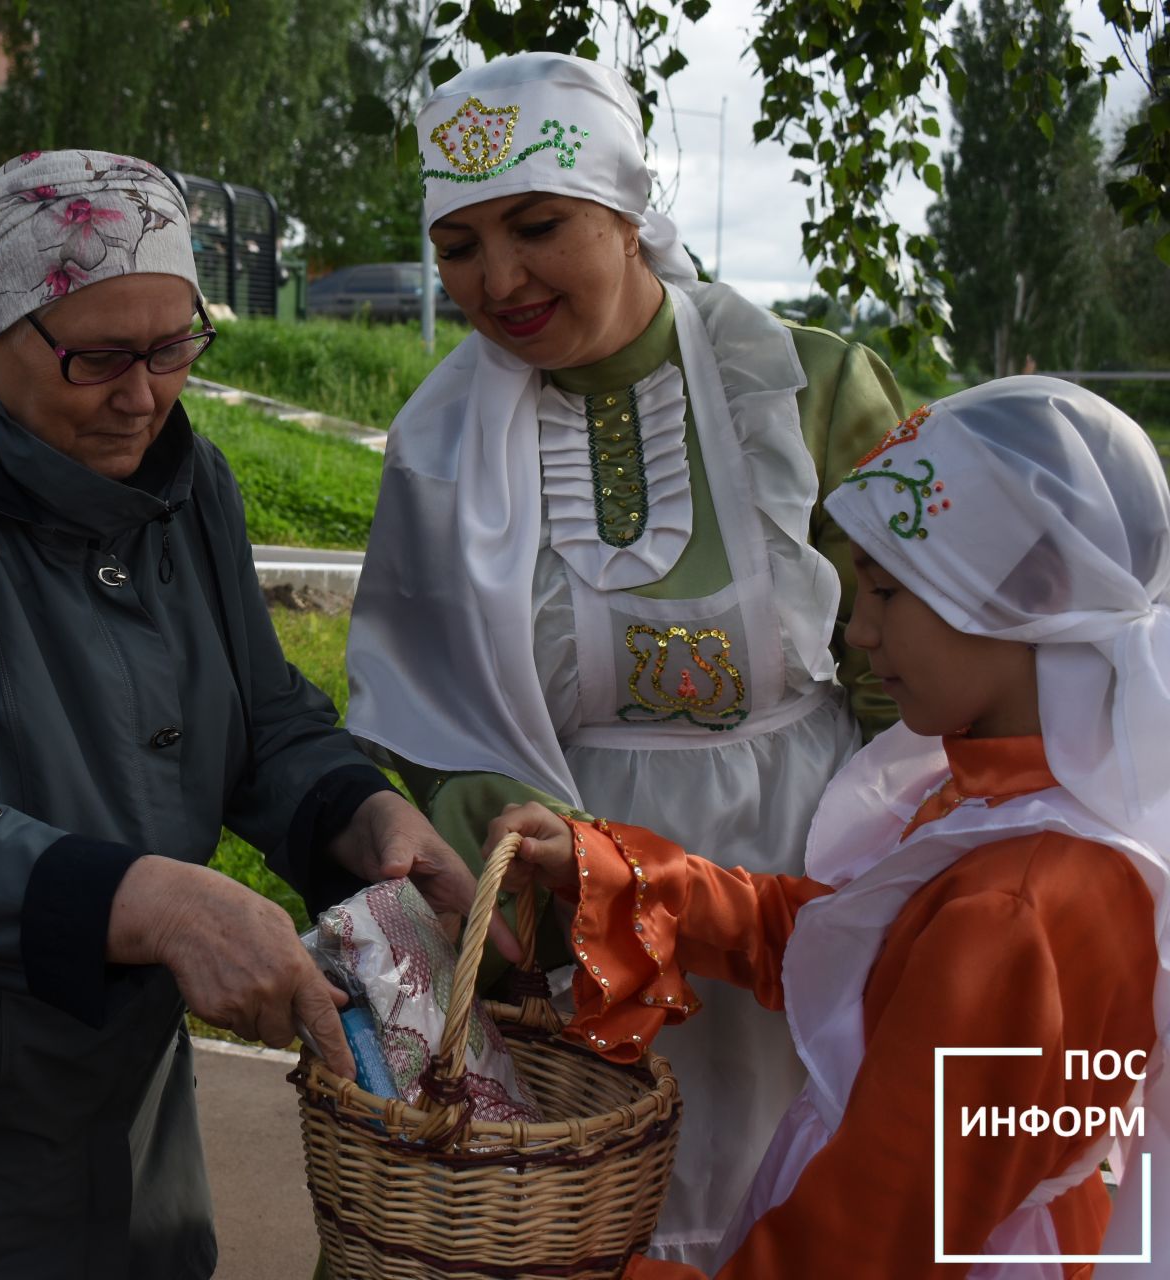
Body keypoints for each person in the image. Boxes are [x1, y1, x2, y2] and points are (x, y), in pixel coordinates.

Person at [0, 149, 489, 1280]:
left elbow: (266, 713)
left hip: (127, 1122)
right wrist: (153, 901)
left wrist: (365, 815)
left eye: (172, 347)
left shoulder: (187, 487)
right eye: (97, 357)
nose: (143, 396)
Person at [343, 52, 905, 1266]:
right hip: (570, 922)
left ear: (627, 206)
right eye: (459, 245)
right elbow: (409, 707)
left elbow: (923, 672)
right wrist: (472, 813)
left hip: (800, 890)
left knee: (801, 1208)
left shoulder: (805, 387)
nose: (497, 279)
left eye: (537, 225)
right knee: (590, 1219)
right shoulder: (439, 445)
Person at [490, 377, 1170, 1277]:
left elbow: (868, 1245)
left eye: (887, 593)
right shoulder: (1020, 803)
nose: (858, 633)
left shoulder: (1012, 902)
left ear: (1026, 599)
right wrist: (611, 873)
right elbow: (840, 945)